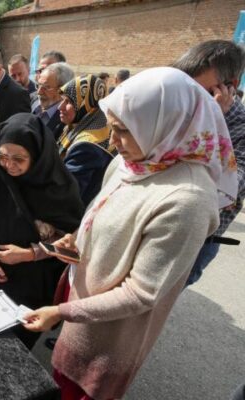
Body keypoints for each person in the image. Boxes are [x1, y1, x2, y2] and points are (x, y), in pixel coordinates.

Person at [21, 67, 237, 399]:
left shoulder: (187, 200)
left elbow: (141, 294)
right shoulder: (140, 161)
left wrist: (60, 312)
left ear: (165, 125)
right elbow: (104, 215)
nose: (111, 141)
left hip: (108, 340)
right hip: (81, 316)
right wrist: (78, 241)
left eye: (123, 130)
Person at [0, 113, 84, 348]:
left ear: (39, 156)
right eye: (3, 156)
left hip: (35, 283)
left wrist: (30, 253)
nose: (9, 165)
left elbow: (73, 243)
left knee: (16, 344)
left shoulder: (60, 188)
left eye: (19, 159)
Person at [172, 40, 245, 285]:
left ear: (230, 87)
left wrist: (212, 122)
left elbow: (229, 187)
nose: (188, 99)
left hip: (195, 241)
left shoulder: (241, 130)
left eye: (198, 91)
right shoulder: (183, 110)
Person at [57, 74, 114, 205]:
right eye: (62, 100)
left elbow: (67, 194)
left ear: (87, 105)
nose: (60, 106)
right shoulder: (76, 128)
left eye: (69, 102)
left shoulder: (88, 144)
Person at [34, 62, 74, 140]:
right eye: (38, 85)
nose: (39, 92)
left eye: (46, 87)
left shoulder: (66, 120)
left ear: (62, 89)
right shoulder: (31, 101)